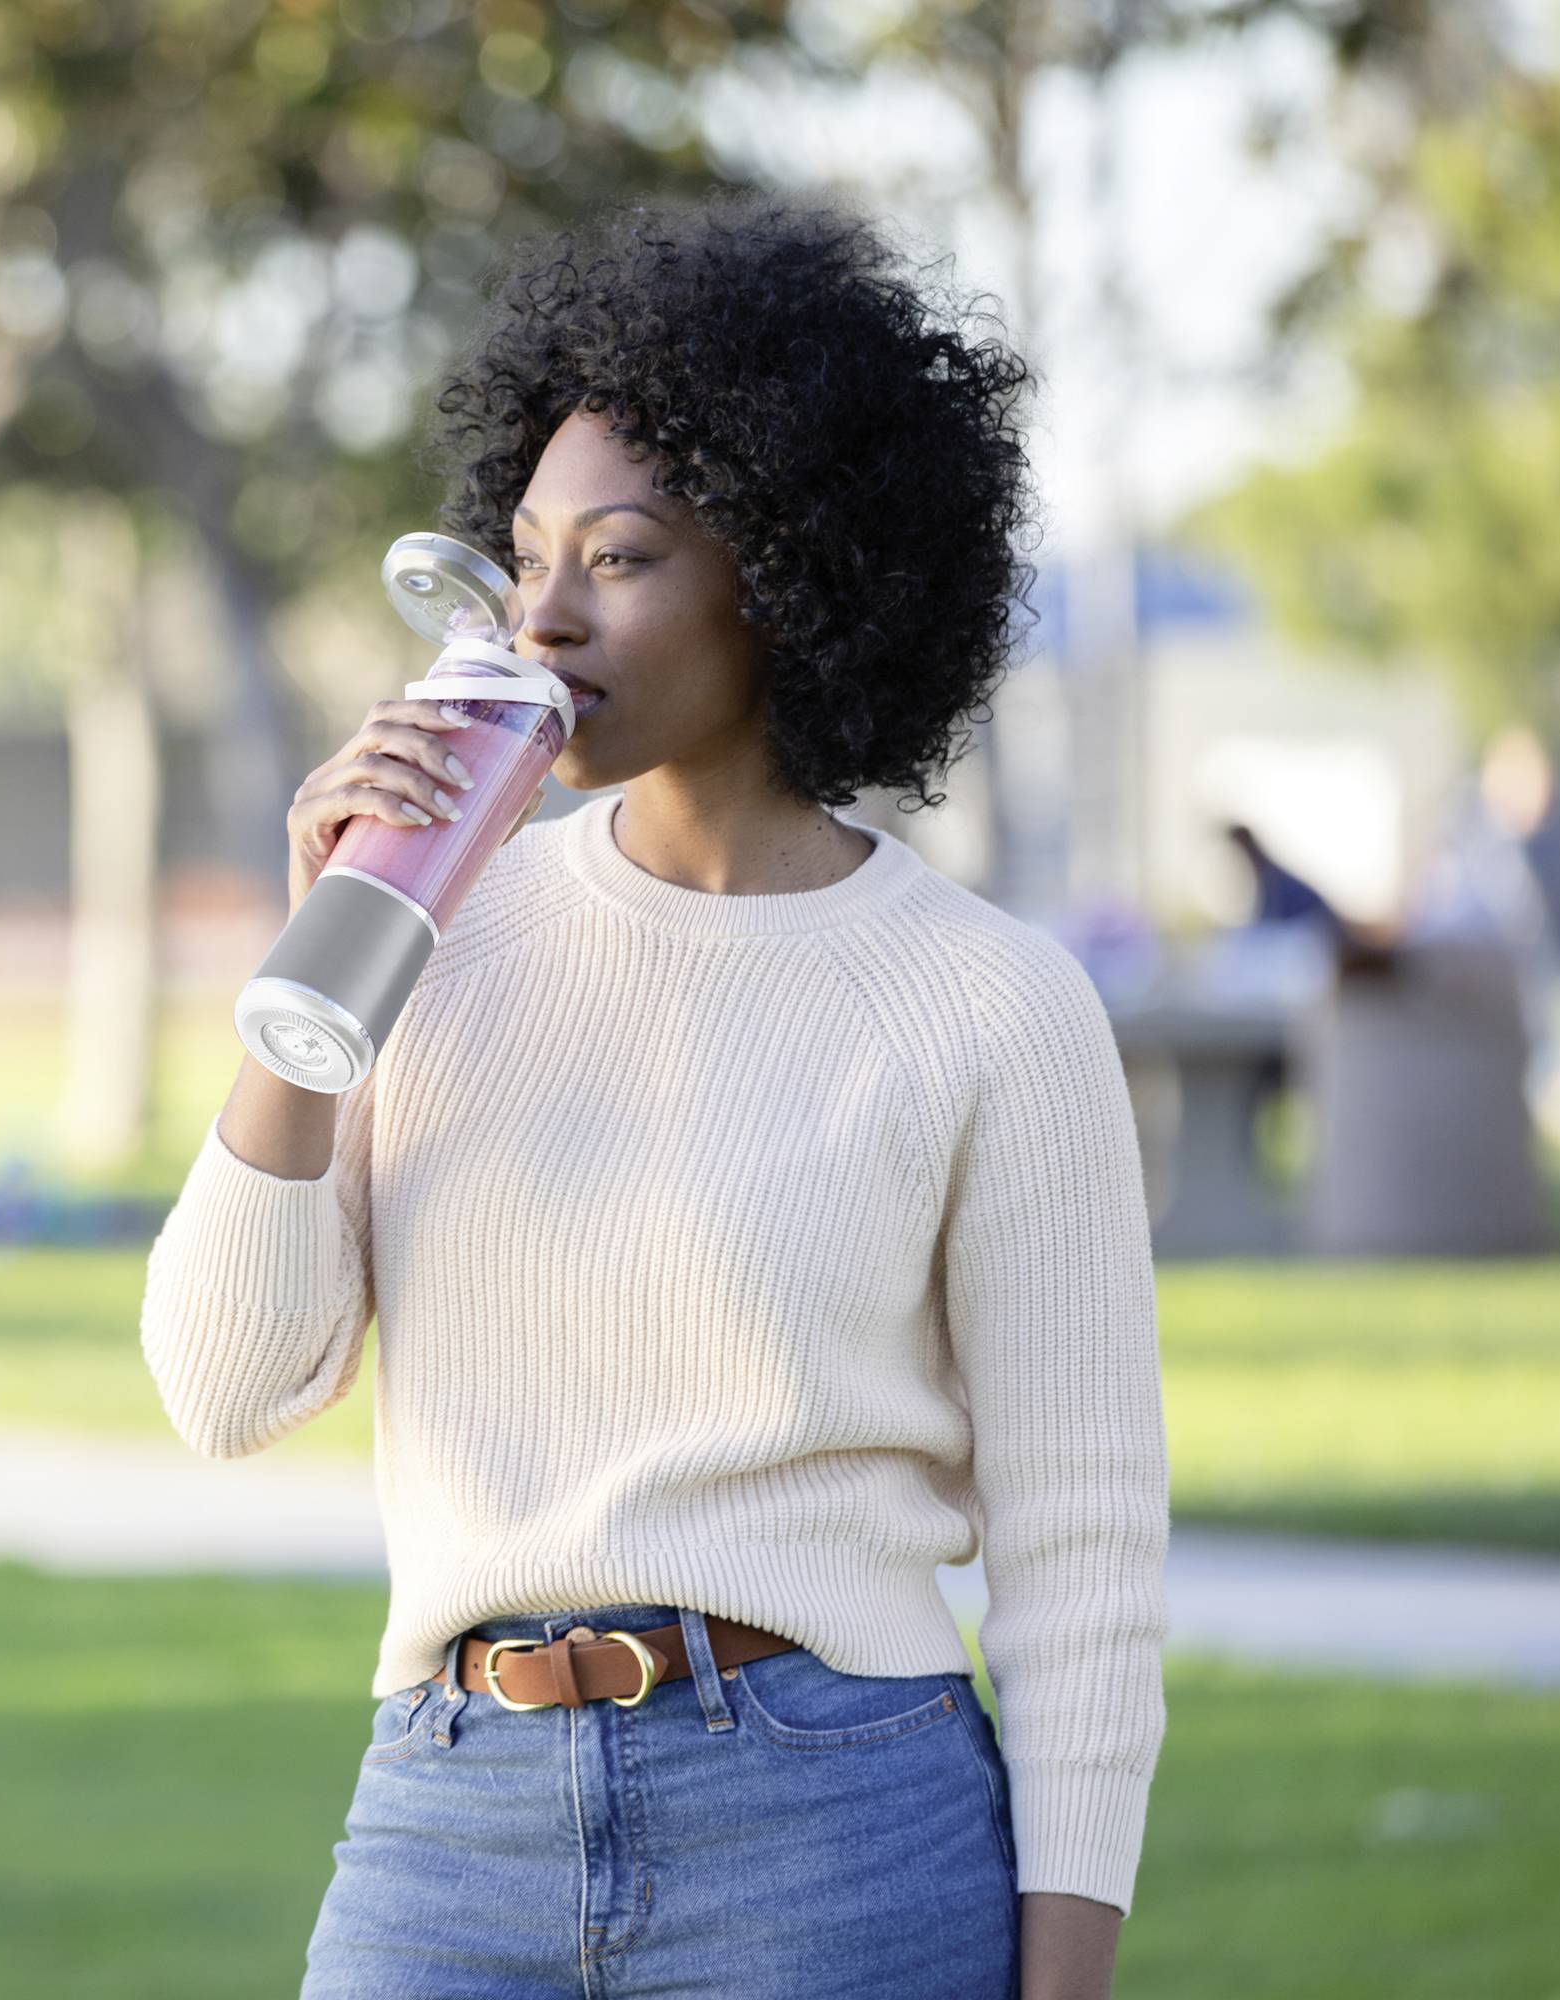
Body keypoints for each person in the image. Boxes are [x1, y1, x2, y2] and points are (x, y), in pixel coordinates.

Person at [141, 191, 1166, 2000]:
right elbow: (227, 1389)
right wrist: (318, 966)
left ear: (783, 563)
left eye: (616, 557)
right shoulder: (430, 938)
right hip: (447, 1826)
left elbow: (1083, 1561)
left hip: (833, 1834)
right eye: (524, 555)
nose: (542, 618)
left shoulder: (994, 1006)